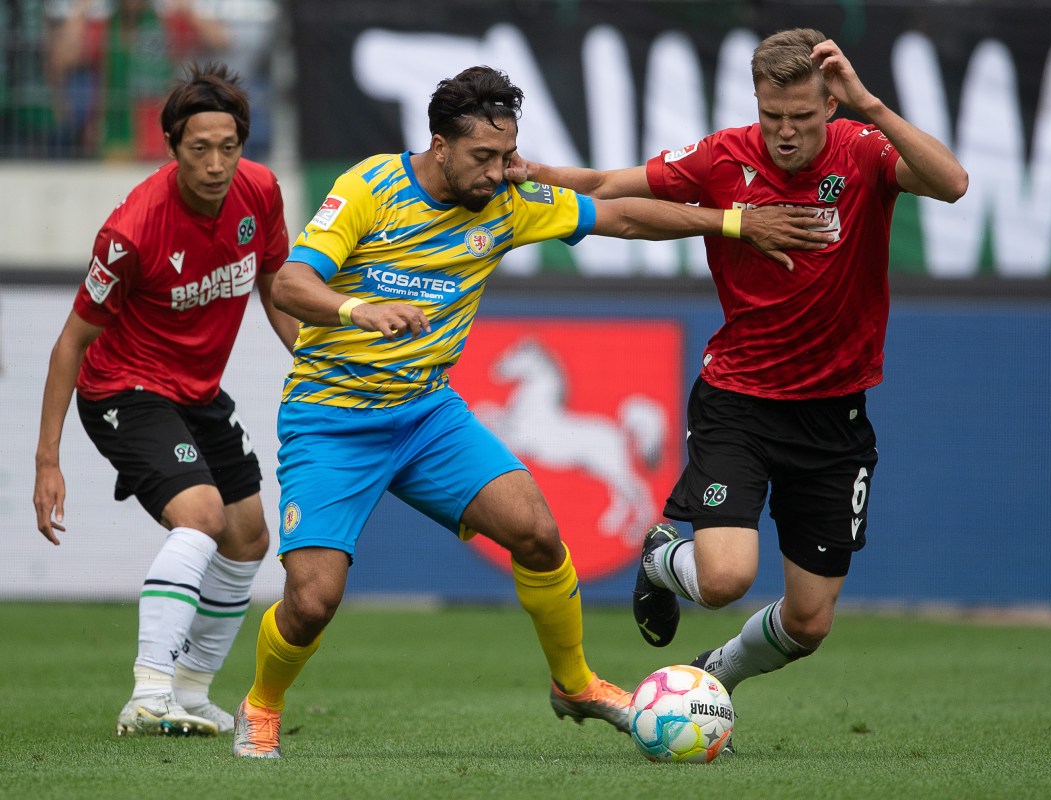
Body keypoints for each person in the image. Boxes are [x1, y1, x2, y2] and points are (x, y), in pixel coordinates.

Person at [230, 64, 833, 759]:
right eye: (483, 158)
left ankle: (574, 684)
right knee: (311, 602)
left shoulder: (509, 200)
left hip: (426, 416)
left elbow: (624, 216)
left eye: (507, 155)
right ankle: (261, 706)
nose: (498, 172)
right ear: (439, 143)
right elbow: (291, 283)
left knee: (539, 534)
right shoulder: (370, 187)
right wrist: (357, 308)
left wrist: (733, 221)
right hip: (331, 420)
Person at [506, 27, 969, 729]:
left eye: (803, 118)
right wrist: (535, 173)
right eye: (771, 116)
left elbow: (954, 184)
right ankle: (666, 557)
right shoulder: (724, 156)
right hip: (740, 402)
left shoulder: (865, 149)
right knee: (723, 579)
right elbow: (609, 188)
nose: (785, 133)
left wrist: (872, 105)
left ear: (831, 105)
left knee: (810, 623)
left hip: (834, 419)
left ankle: (709, 676)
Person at [33, 62, 297, 737]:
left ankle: (191, 689)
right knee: (203, 515)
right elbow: (69, 345)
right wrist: (47, 463)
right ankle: (148, 692)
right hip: (124, 388)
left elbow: (275, 285)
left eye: (228, 146)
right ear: (173, 147)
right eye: (199, 148)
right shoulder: (131, 232)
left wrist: (312, 357)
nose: (216, 164)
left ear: (244, 143)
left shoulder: (261, 192)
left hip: (199, 392)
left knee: (248, 538)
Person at [44, 0, 228, 159]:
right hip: (111, 134)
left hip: (158, 136)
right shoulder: (103, 27)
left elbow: (219, 40)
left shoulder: (167, 25)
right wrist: (79, 11)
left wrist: (187, 7)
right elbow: (62, 60)